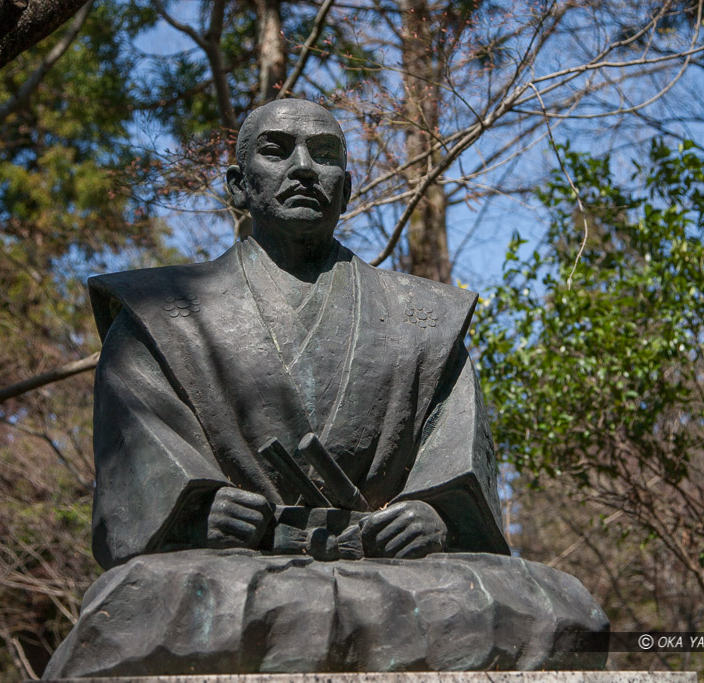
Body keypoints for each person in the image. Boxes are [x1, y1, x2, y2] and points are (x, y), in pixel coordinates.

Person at [43, 100, 606, 678]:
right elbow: (139, 467)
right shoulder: (162, 312)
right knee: (152, 599)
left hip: (395, 570)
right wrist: (193, 512)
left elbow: (457, 460)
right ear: (238, 186)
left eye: (326, 154)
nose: (305, 167)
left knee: (546, 605)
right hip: (231, 571)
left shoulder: (426, 317)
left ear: (347, 188)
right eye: (277, 150)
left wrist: (437, 517)